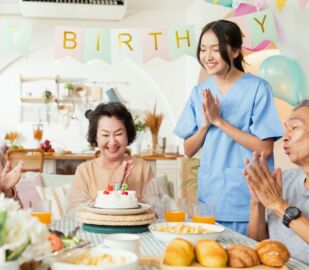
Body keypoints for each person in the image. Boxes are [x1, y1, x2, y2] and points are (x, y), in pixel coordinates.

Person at [174, 20, 283, 235]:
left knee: (247, 264)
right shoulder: (200, 92)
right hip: (211, 198)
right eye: (203, 49)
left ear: (235, 51)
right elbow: (188, 149)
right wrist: (205, 126)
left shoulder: (258, 88)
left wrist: (219, 122)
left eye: (216, 49)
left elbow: (264, 148)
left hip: (247, 199)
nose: (208, 56)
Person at [244, 100, 309, 264]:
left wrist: (279, 205)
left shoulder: (278, 198)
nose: (284, 137)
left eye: (294, 128)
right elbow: (259, 247)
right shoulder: (286, 180)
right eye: (286, 129)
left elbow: (278, 205)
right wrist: (257, 203)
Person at [67, 102, 155, 209]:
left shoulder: (144, 168)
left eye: (118, 134)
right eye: (105, 135)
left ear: (128, 134)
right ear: (96, 137)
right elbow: (74, 212)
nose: (112, 142)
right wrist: (114, 187)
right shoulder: (84, 171)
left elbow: (157, 210)